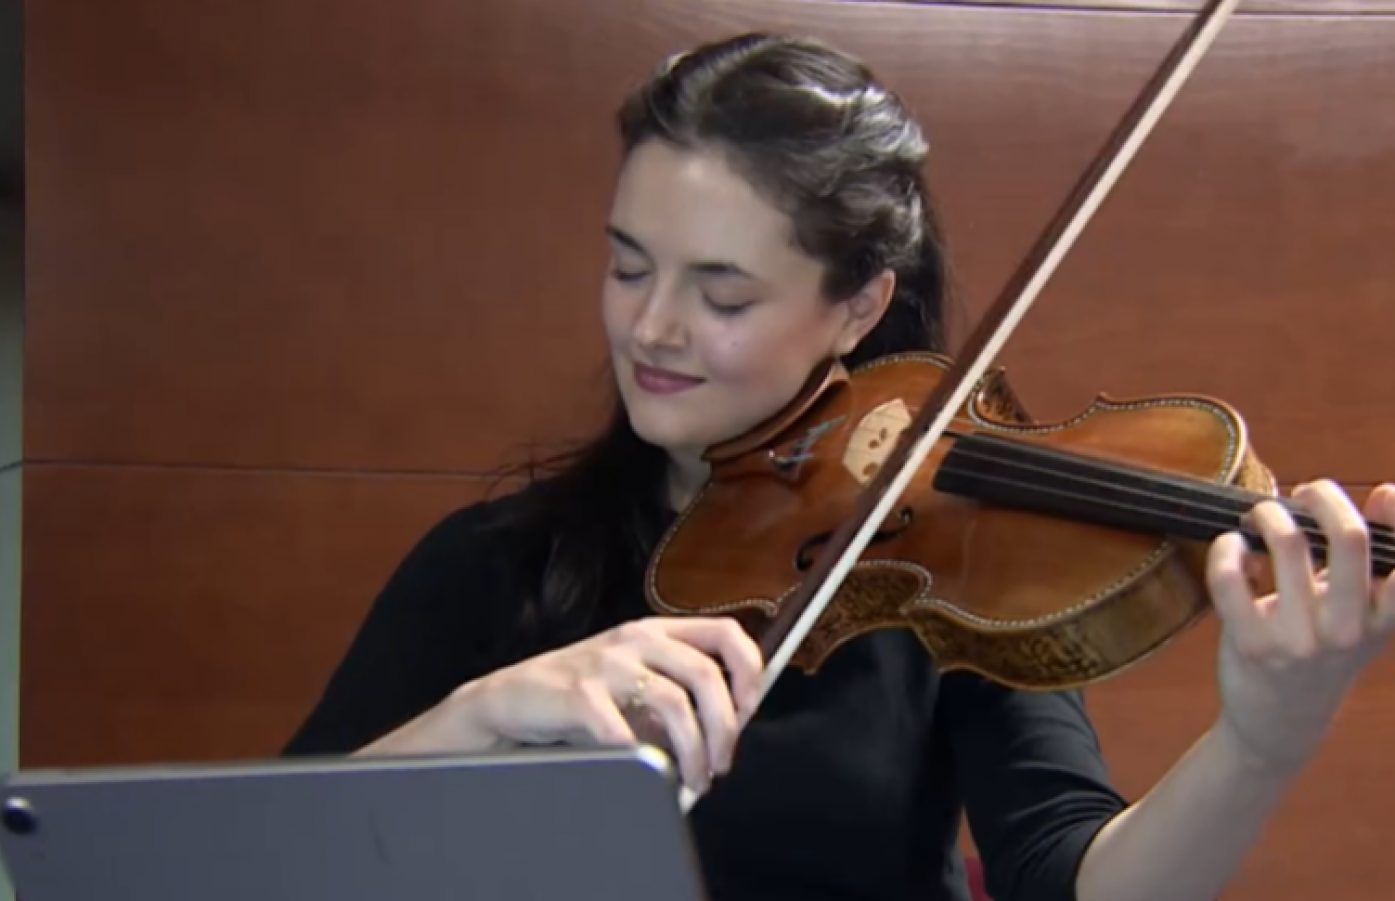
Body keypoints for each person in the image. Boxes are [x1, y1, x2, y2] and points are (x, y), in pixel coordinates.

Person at [282, 32, 1395, 901]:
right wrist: (478, 720)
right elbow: (253, 860)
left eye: (722, 294)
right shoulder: (498, 565)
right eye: (629, 268)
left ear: (858, 305)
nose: (652, 328)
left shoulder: (956, 572)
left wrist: (1261, 742)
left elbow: (1070, 880)